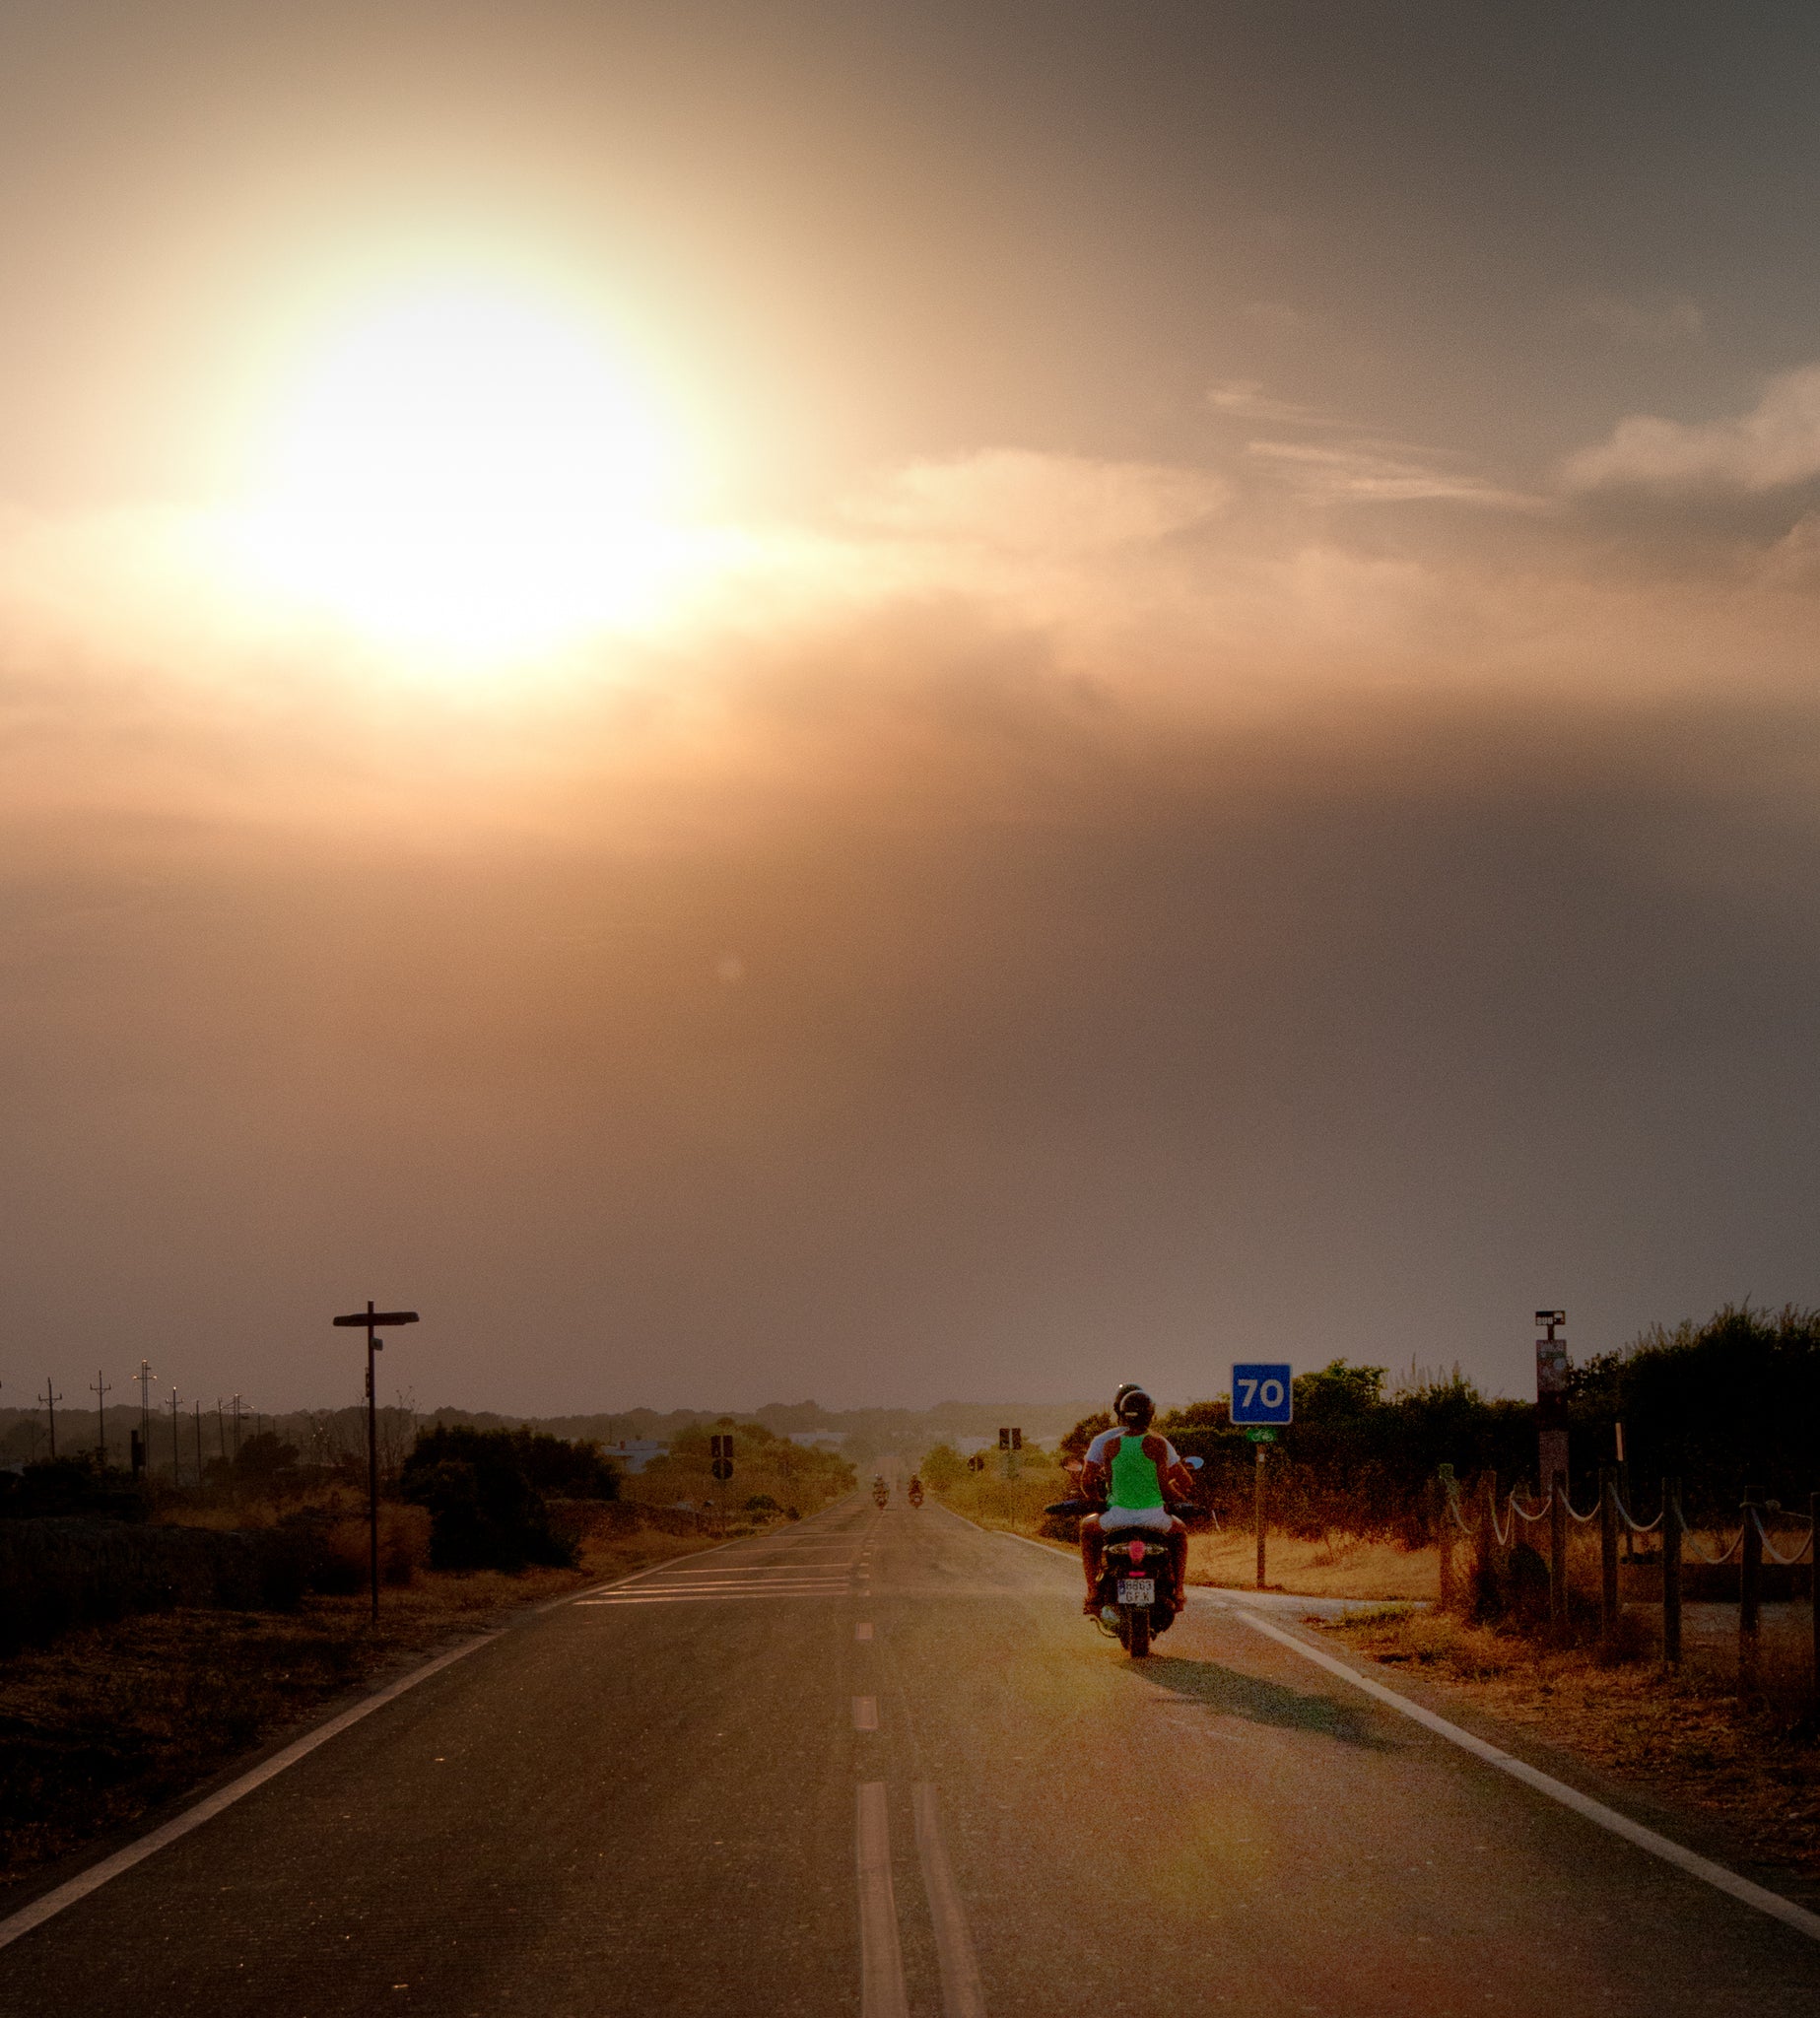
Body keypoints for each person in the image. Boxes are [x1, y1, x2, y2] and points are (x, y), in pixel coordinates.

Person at [1077, 1384, 1197, 1616]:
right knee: (1180, 1533)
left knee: (1086, 1529)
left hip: (1117, 1516)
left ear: (1119, 1411)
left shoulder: (1108, 1444)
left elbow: (1104, 1483)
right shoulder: (1158, 1443)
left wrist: (1098, 1501)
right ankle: (1179, 1591)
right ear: (1151, 1415)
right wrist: (1181, 1498)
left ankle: (1092, 1592)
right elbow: (1165, 1486)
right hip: (1154, 1516)